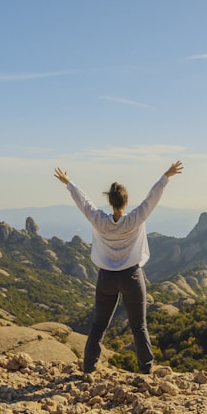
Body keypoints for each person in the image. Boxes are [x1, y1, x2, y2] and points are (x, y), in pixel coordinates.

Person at [54, 160, 183, 374]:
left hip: (106, 278)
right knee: (138, 326)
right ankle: (146, 370)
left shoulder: (99, 220)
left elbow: (84, 203)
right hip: (131, 276)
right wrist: (166, 176)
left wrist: (69, 183)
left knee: (98, 325)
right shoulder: (135, 219)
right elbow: (152, 198)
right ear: (126, 201)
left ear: (110, 202)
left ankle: (88, 368)